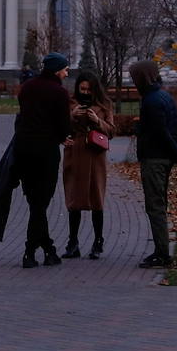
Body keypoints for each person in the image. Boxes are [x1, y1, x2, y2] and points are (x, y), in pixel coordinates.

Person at [13, 52, 71, 268]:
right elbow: (64, 126)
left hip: (24, 151)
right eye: (65, 69)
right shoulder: (59, 93)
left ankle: (49, 250)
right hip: (46, 153)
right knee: (40, 204)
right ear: (57, 70)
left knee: (35, 202)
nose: (67, 73)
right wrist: (63, 137)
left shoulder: (27, 87)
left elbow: (23, 115)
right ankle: (29, 252)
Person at [130, 60, 177, 268]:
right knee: (158, 204)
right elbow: (175, 127)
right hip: (162, 157)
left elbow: (161, 131)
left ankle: (162, 254)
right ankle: (161, 251)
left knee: (155, 206)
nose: (134, 83)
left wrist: (176, 153)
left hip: (155, 158)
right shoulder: (163, 95)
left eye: (136, 78)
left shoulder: (151, 101)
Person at [62, 71, 115, 260]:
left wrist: (96, 120)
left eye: (88, 89)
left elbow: (111, 131)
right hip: (75, 155)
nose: (85, 92)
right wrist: (71, 116)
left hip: (95, 156)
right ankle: (73, 242)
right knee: (74, 199)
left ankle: (98, 241)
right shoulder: (70, 104)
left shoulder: (104, 105)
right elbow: (60, 128)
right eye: (82, 89)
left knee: (96, 199)